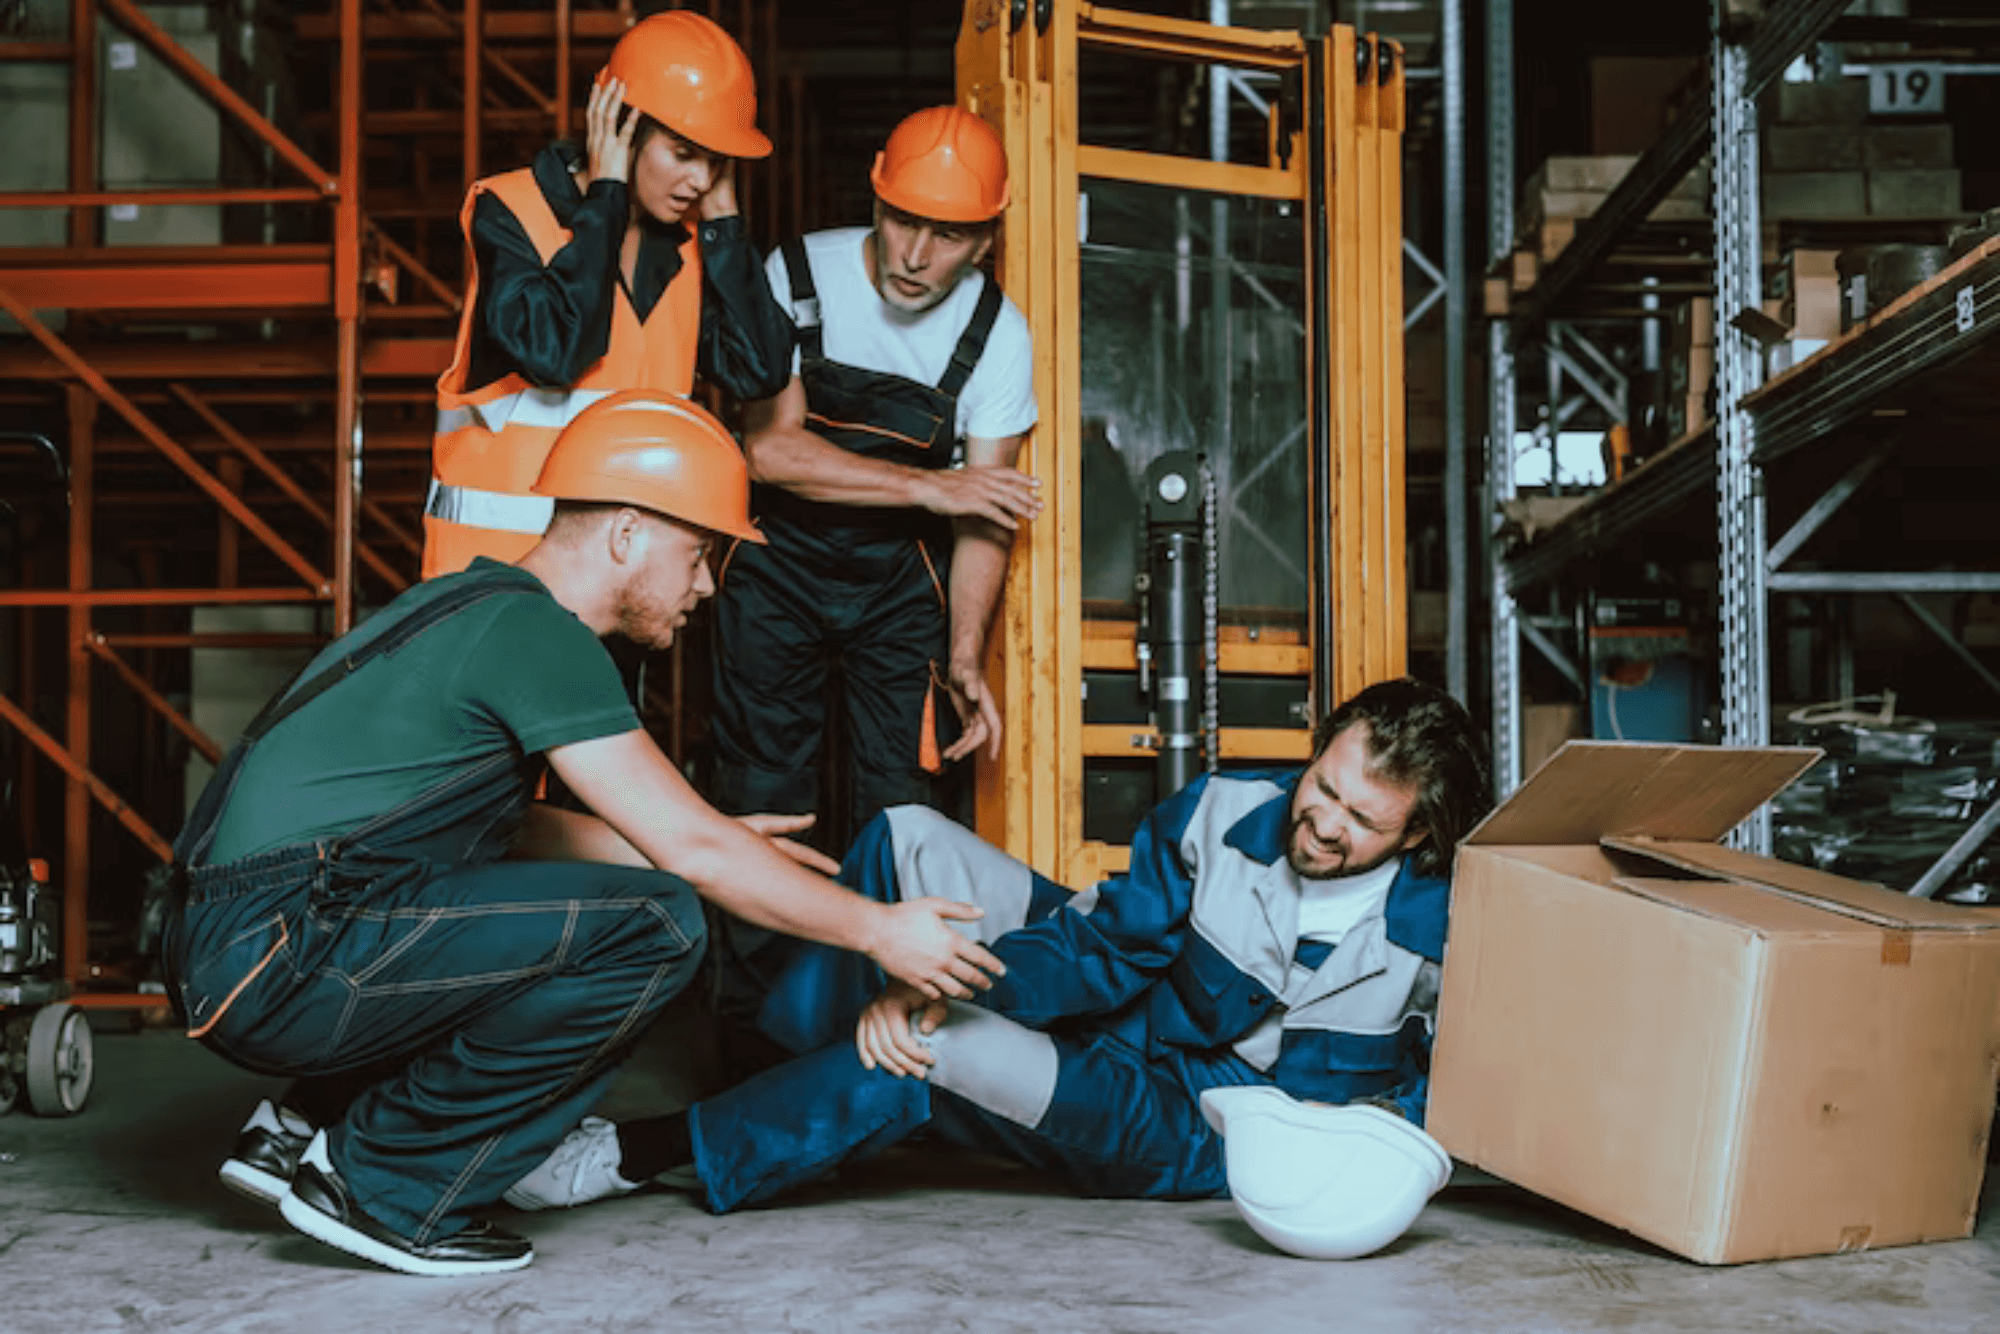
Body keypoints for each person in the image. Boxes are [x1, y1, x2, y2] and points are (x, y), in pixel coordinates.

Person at [161, 391, 1005, 1277]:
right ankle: (380, 1184)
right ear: (628, 534)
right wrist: (877, 928)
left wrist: (710, 841)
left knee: (603, 892)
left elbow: (509, 828)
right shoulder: (539, 637)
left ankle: (307, 1129)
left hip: (239, 941)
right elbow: (693, 859)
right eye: (701, 555)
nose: (708, 587)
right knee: (658, 921)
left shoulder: (476, 607)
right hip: (278, 950)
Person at [505, 677, 1489, 1215]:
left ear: (1414, 835)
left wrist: (929, 1003)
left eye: (1358, 820)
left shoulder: (1434, 939)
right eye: (1321, 783)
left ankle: (648, 1148)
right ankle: (804, 1079)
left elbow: (1414, 1098)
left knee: (938, 1046)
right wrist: (932, 972)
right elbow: (1106, 945)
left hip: (1186, 1122)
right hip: (1119, 1010)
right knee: (906, 835)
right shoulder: (1228, 808)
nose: (1318, 822)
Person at [707, 105, 1043, 844]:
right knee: (761, 796)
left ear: (985, 241)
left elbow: (983, 515)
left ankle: (894, 958)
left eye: (947, 234)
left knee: (905, 808)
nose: (915, 256)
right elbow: (771, 452)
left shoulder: (999, 335)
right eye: (900, 221)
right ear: (876, 200)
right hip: (775, 566)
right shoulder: (795, 273)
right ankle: (766, 962)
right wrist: (930, 485)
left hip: (901, 586)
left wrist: (963, 656)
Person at [424, 10, 792, 578]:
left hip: (620, 585)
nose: (700, 181)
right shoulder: (512, 211)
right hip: (494, 579)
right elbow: (557, 353)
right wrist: (608, 194)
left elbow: (759, 371)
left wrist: (725, 226)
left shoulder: (692, 249)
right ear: (620, 126)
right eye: (684, 153)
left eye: (716, 163)